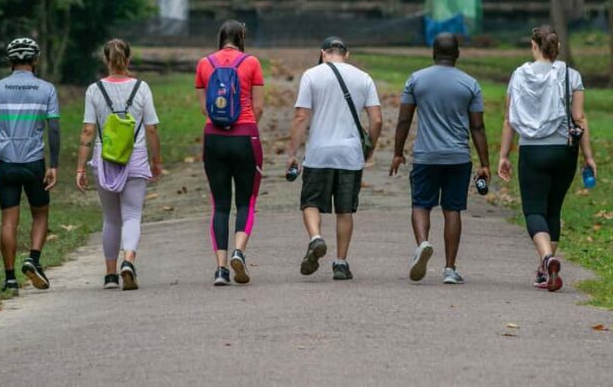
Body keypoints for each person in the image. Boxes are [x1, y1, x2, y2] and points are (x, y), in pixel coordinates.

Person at [498, 26, 596, 292]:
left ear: (533, 46)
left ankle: (546, 259)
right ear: (557, 48)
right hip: (565, 150)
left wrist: (504, 155)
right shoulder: (571, 75)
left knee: (534, 210)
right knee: (553, 209)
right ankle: (544, 272)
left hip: (532, 150)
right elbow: (580, 118)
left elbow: (509, 119)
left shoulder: (518, 75)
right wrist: (588, 157)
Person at [390, 33, 490, 285]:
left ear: (433, 53)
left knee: (421, 204)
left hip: (426, 155)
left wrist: (398, 152)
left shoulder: (416, 80)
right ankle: (449, 269)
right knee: (452, 209)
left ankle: (423, 243)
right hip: (458, 156)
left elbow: (404, 120)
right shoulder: (470, 84)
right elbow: (478, 128)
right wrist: (485, 163)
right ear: (457, 54)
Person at [287, 37, 383, 281]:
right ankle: (341, 262)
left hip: (319, 153)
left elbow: (301, 116)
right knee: (344, 210)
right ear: (346, 54)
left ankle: (316, 238)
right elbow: (377, 119)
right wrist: (369, 148)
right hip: (349, 154)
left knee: (310, 202)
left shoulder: (311, 75)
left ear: (322, 53)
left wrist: (292, 153)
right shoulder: (364, 78)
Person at [75, 39, 162, 290]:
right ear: (129, 60)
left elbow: (88, 131)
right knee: (132, 214)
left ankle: (111, 275)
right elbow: (151, 128)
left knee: (111, 219)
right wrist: (156, 160)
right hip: (135, 157)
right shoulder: (142, 88)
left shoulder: (94, 90)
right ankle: (129, 261)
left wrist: (81, 167)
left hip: (105, 160)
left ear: (106, 60)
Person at [0, 38, 60, 295]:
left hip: (6, 163)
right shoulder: (46, 89)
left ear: (9, 61)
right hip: (34, 162)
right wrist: (54, 164)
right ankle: (33, 259)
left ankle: (10, 278)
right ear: (35, 60)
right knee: (40, 214)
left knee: (8, 221)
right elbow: (54, 129)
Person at [195, 20, 265, 286]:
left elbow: (204, 109)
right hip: (245, 136)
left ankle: (221, 269)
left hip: (213, 138)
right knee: (246, 201)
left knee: (220, 205)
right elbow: (258, 108)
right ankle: (239, 251)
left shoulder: (204, 63)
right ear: (242, 37)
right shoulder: (251, 63)